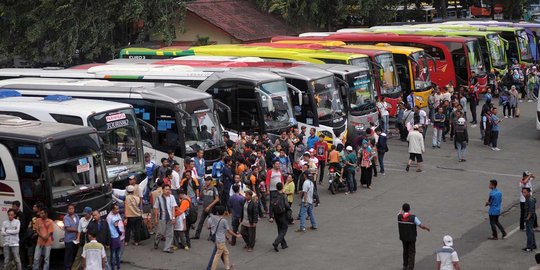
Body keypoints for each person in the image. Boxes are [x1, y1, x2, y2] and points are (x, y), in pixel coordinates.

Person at [397, 203, 430, 270]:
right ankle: (410, 267)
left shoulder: (399, 217)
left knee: (405, 251)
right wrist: (426, 228)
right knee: (411, 252)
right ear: (409, 209)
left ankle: (405, 266)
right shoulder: (413, 218)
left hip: (403, 238)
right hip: (411, 238)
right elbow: (421, 225)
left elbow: (399, 213)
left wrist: (401, 209)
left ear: (403, 209)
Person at [209, 206, 242, 270]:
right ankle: (212, 268)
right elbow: (229, 231)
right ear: (224, 213)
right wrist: (236, 235)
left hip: (216, 239)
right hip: (221, 240)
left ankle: (228, 267)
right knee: (217, 256)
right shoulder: (224, 221)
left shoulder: (213, 218)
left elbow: (209, 213)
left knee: (226, 252)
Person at [153, 184, 178, 253]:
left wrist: (173, 217)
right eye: (166, 189)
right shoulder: (159, 198)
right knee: (160, 233)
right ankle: (156, 242)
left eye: (169, 189)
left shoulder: (172, 197)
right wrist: (156, 218)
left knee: (170, 234)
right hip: (162, 217)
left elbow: (173, 208)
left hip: (169, 217)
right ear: (163, 190)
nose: (168, 191)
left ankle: (167, 248)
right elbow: (156, 208)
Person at [272, 182, 291, 252]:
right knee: (284, 229)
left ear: (276, 188)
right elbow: (287, 205)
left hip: (276, 215)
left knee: (280, 229)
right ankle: (276, 243)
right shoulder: (283, 196)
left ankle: (284, 244)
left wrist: (271, 216)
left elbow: (271, 206)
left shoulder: (274, 195)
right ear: (282, 187)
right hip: (282, 214)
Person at [106, 204, 124, 270]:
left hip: (118, 236)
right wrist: (120, 233)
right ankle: (115, 267)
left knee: (117, 253)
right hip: (114, 237)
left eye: (118, 209)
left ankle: (117, 265)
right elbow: (116, 227)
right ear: (112, 210)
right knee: (114, 254)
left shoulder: (117, 214)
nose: (118, 210)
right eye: (116, 209)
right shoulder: (110, 217)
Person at [63, 203, 79, 270]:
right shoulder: (66, 217)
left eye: (72, 208)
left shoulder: (76, 216)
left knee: (75, 254)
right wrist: (78, 230)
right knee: (68, 255)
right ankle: (67, 268)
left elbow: (79, 224)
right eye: (69, 209)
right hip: (69, 239)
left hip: (76, 239)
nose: (71, 210)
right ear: (67, 210)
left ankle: (73, 267)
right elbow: (68, 228)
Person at [523, 187, 537, 252]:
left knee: (529, 232)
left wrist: (527, 219)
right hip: (529, 217)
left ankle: (529, 247)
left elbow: (530, 211)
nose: (523, 194)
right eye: (523, 192)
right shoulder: (527, 198)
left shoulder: (530, 200)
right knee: (531, 232)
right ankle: (533, 245)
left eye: (525, 192)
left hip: (530, 218)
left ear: (529, 192)